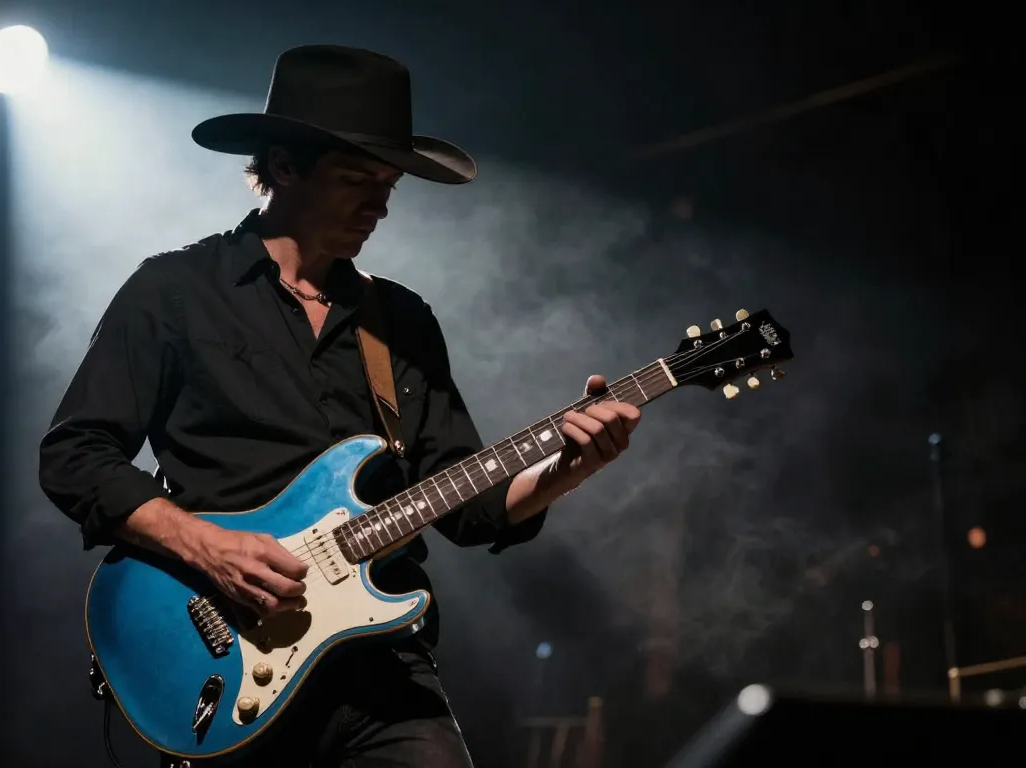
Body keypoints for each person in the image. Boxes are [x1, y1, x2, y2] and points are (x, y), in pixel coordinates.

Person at [38, 44, 642, 768]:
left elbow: (468, 506)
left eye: (389, 185)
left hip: (379, 666)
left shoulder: (401, 321)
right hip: (227, 653)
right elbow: (75, 456)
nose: (380, 205)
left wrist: (570, 467)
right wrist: (209, 547)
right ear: (283, 167)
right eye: (358, 180)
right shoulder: (174, 292)